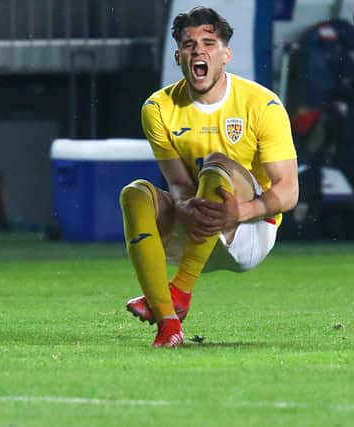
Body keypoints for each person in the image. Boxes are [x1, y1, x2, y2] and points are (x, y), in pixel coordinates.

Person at [120, 6, 298, 347]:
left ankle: (181, 289)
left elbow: (288, 191)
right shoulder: (158, 108)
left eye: (209, 43)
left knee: (217, 164)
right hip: (198, 225)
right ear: (178, 55)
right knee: (135, 193)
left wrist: (240, 212)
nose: (198, 50)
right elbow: (179, 184)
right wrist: (184, 204)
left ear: (226, 54)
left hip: (249, 230)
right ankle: (168, 322)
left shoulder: (262, 104)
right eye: (189, 44)